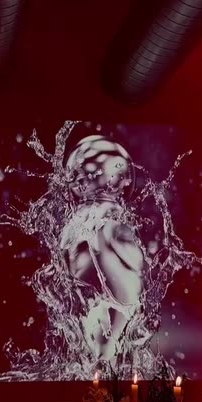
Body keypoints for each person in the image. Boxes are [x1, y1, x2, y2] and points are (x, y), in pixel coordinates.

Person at [61, 135, 145, 365]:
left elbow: (66, 257)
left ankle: (100, 365)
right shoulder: (111, 216)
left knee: (96, 350)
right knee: (110, 349)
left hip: (100, 291)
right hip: (114, 290)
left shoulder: (77, 222)